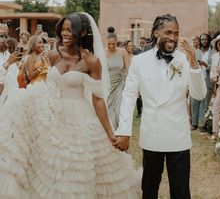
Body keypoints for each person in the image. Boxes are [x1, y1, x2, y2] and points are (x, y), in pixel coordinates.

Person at [0, 12, 139, 198]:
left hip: (81, 117)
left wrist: (110, 132)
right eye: (62, 29)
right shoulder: (53, 56)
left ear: (81, 32)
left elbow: (98, 99)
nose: (64, 34)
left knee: (77, 167)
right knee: (55, 167)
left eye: (69, 29)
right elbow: (49, 86)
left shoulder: (91, 61)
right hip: (54, 116)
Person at [114, 14, 207, 199]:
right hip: (152, 133)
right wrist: (124, 130)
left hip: (178, 134)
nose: (172, 37)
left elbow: (199, 94)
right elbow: (129, 95)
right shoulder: (139, 61)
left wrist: (194, 62)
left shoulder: (184, 60)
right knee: (149, 188)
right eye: (168, 32)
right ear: (156, 32)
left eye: (176, 33)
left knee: (180, 190)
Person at [105, 26, 130, 130]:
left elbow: (128, 69)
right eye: (109, 44)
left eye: (113, 44)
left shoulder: (123, 52)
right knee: (108, 109)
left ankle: (120, 131)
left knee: (119, 108)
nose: (111, 46)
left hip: (120, 84)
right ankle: (110, 131)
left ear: (117, 42)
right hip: (107, 85)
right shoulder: (102, 52)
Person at [190, 33, 215, 132]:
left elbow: (215, 67)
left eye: (205, 39)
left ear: (209, 41)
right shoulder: (197, 52)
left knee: (205, 103)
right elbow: (192, 64)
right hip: (197, 80)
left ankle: (202, 124)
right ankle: (194, 124)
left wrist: (206, 65)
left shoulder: (213, 52)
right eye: (202, 39)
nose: (204, 41)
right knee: (194, 101)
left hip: (207, 80)